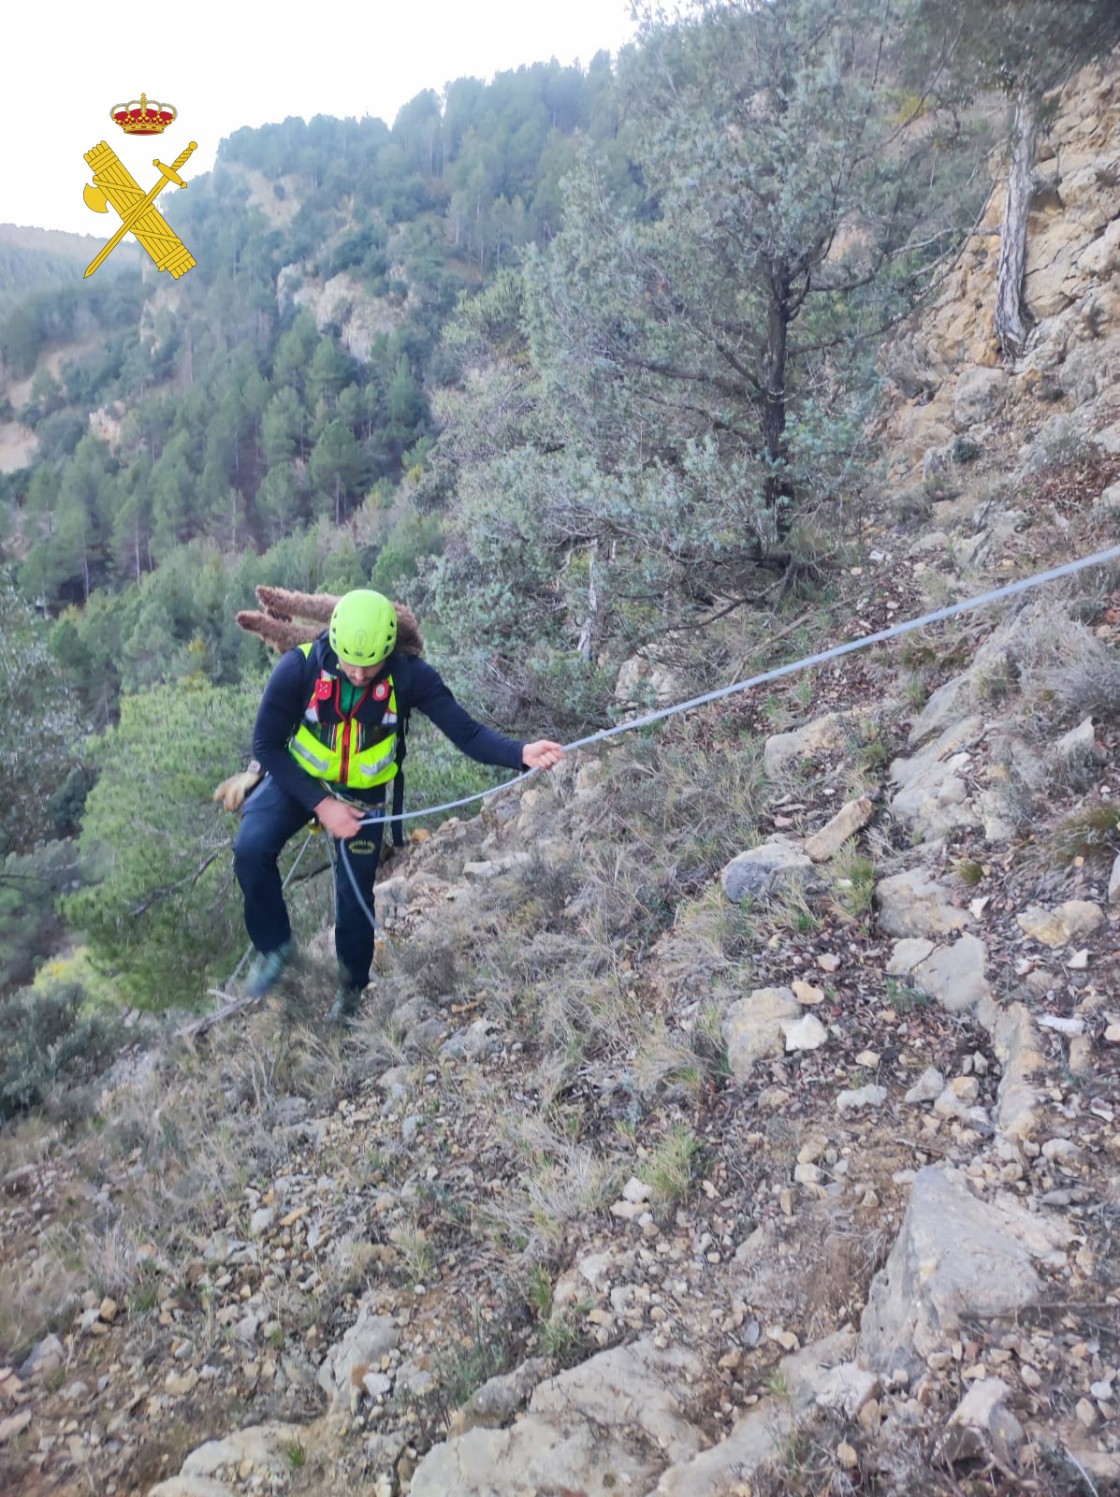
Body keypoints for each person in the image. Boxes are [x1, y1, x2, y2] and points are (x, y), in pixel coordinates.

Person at [230, 589, 563, 1023]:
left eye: (370, 663)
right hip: (300, 781)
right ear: (333, 639)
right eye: (350, 661)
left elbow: (466, 733)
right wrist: (323, 804)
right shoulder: (301, 667)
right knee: (251, 850)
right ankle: (275, 947)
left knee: (354, 902)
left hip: (363, 797)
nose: (359, 672)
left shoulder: (409, 677)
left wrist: (520, 753)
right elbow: (266, 746)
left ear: (389, 648)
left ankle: (350, 995)